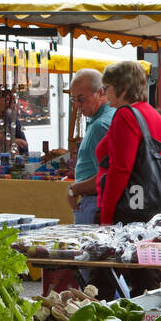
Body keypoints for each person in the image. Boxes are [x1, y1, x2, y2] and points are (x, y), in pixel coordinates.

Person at [96, 60, 161, 225]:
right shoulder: (153, 114)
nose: (104, 93)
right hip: (151, 209)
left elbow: (120, 170)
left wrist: (106, 217)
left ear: (123, 89)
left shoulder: (125, 116)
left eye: (107, 87)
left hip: (127, 212)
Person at [66, 69, 114, 225]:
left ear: (101, 93)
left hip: (95, 203)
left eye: (81, 99)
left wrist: (74, 189)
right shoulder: (104, 118)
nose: (77, 105)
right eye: (73, 99)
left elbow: (106, 177)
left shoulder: (100, 126)